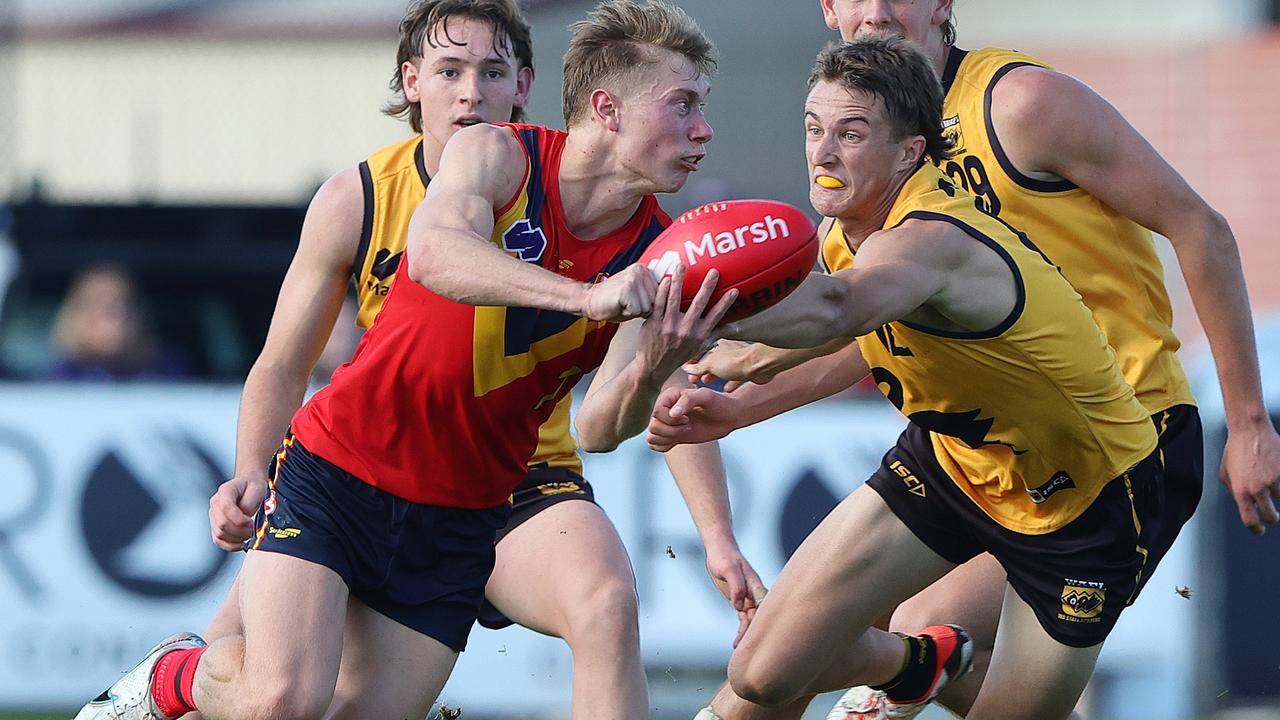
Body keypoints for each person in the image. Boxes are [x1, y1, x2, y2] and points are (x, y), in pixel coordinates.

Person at [74, 2, 744, 719]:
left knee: (606, 603)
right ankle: (173, 676)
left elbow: (660, 384)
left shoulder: (581, 196)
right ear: (411, 82)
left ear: (523, 84)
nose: (471, 92)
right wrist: (248, 470)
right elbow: (281, 363)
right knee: (270, 695)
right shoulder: (361, 198)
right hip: (359, 458)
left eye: (492, 72)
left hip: (515, 483)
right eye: (450, 71)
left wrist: (717, 538)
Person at [683, 2, 1280, 718]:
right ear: (828, 8)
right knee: (772, 671)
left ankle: (921, 668)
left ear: (942, 6)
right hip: (970, 451)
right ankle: (917, 669)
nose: (875, 12)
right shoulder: (859, 183)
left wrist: (1247, 422)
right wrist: (745, 402)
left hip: (1112, 449)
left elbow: (1199, 225)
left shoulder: (1019, 105)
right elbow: (875, 329)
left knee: (905, 634)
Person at [49, 264, 188, 381]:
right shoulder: (53, 383)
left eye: (125, 303)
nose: (117, 313)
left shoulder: (168, 375)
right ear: (75, 314)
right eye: (99, 302)